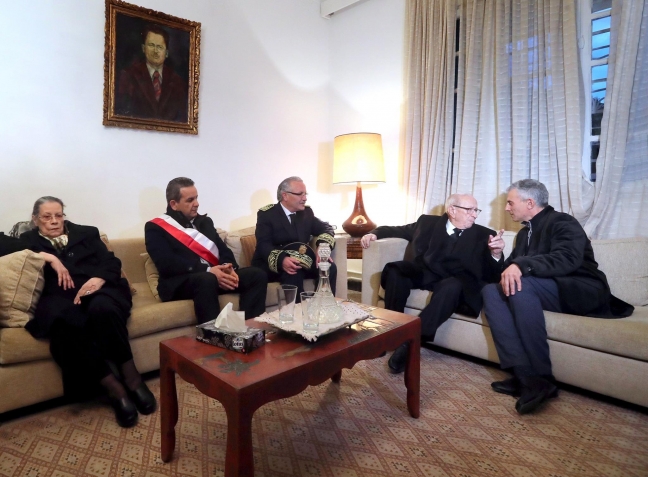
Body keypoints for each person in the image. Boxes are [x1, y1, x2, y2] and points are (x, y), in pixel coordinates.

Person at [482, 179, 634, 415]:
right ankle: (525, 375)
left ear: (529, 202)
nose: (506, 208)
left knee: (521, 286)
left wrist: (521, 265)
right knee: (491, 291)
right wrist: (497, 254)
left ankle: (542, 377)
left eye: (510, 203)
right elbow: (508, 275)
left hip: (581, 289)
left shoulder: (563, 222)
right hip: (546, 288)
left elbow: (567, 259)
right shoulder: (523, 234)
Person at [19, 197, 155, 428]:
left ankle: (133, 379)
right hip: (59, 298)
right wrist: (50, 258)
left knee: (103, 309)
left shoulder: (87, 233)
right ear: (35, 219)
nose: (54, 221)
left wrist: (99, 278)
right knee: (64, 326)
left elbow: (111, 262)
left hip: (98, 288)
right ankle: (115, 389)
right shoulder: (27, 241)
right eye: (47, 217)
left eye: (58, 215)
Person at [361, 194, 503, 373]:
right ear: (452, 210)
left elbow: (493, 276)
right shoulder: (427, 223)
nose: (474, 215)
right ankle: (392, 331)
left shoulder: (485, 235)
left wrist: (496, 254)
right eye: (470, 210)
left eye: (476, 210)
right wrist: (374, 233)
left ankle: (411, 342)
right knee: (396, 271)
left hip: (455, 281)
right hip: (426, 273)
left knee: (452, 286)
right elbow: (397, 230)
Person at [145, 177, 267, 324]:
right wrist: (209, 270)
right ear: (174, 204)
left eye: (196, 198)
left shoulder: (205, 222)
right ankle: (213, 335)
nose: (196, 203)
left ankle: (249, 329)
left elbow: (224, 251)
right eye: (190, 200)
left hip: (213, 278)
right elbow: (167, 264)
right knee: (206, 279)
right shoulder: (155, 228)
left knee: (256, 274)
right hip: (180, 283)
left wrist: (227, 267)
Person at [252, 176, 336, 300]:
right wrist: (282, 260)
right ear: (285, 196)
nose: (305, 198)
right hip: (272, 264)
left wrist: (323, 245)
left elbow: (326, 228)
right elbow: (263, 244)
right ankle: (298, 310)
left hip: (301, 260)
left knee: (328, 266)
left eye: (305, 194)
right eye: (300, 194)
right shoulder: (267, 214)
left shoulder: (306, 212)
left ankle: (324, 304)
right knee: (293, 271)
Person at [115, 24, 188, 122]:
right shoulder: (128, 75)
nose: (155, 51)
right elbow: (122, 111)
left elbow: (182, 118)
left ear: (166, 53)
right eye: (151, 45)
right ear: (143, 48)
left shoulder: (177, 82)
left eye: (160, 47)